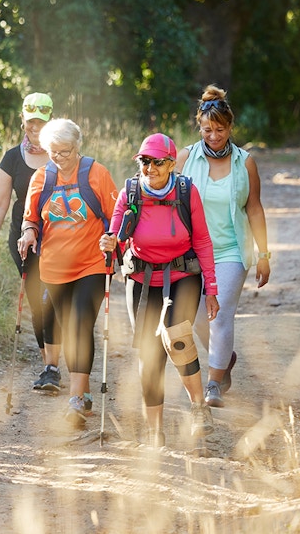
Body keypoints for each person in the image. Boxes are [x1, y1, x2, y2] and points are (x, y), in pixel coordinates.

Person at [100, 133, 220, 448]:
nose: (150, 168)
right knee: (150, 354)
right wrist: (109, 243)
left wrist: (211, 288)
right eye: (145, 161)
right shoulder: (130, 193)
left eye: (157, 162)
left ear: (171, 164)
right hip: (142, 278)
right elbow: (116, 234)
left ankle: (199, 408)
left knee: (177, 337)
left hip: (183, 274)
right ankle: (155, 431)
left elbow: (202, 240)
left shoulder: (186, 192)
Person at [175, 85, 271, 409]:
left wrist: (264, 254)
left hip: (231, 250)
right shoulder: (185, 158)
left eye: (220, 130)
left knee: (219, 314)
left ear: (230, 127)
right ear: (199, 127)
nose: (213, 136)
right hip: (191, 252)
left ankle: (213, 383)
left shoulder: (246, 163)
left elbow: (254, 208)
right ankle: (224, 357)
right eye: (207, 130)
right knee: (196, 318)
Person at [17, 118, 117, 427]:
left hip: (92, 263)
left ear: (78, 146)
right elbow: (31, 218)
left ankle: (74, 401)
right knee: (70, 329)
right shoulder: (41, 178)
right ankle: (83, 393)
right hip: (54, 268)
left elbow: (116, 216)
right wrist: (28, 233)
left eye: (66, 151)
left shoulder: (97, 173)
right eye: (54, 152)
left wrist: (113, 239)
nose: (60, 157)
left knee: (79, 325)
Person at [0, 92, 62, 392]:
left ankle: (55, 362)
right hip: (23, 241)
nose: (35, 127)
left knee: (54, 300)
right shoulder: (12, 158)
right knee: (38, 300)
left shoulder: (61, 154)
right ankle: (50, 367)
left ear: (51, 121)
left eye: (41, 121)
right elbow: (0, 202)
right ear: (23, 120)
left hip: (59, 239)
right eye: (31, 121)